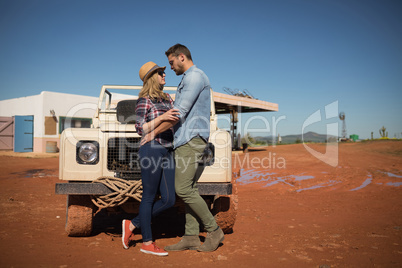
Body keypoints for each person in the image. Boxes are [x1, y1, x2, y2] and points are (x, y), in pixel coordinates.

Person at [141, 44, 224, 252]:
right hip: (188, 139)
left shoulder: (195, 77)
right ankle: (191, 236)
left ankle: (214, 230)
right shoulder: (188, 79)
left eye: (171, 63)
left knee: (183, 189)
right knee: (191, 188)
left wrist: (152, 132)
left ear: (181, 57)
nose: (170, 68)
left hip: (191, 140)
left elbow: (179, 112)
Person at [122, 61, 179, 256]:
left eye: (164, 72)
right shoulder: (144, 100)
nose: (165, 75)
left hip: (169, 149)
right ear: (151, 78)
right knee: (149, 196)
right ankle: (147, 242)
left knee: (169, 199)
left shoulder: (168, 98)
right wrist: (162, 118)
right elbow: (139, 128)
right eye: (160, 73)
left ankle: (133, 224)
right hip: (151, 149)